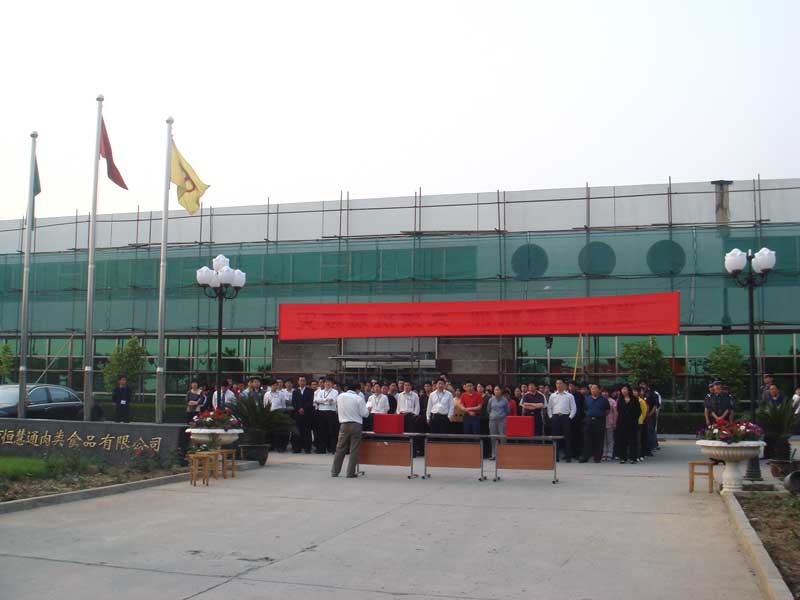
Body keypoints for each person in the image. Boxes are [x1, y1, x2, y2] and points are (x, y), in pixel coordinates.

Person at [331, 383, 369, 478]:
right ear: (357, 389)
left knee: (340, 448)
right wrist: (368, 409)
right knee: (354, 449)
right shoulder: (358, 398)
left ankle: (335, 472)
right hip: (356, 425)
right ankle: (350, 473)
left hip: (343, 424)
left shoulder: (340, 396)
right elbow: (364, 414)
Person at [547, 379, 576, 462]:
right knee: (555, 437)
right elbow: (549, 407)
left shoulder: (569, 396)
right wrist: (551, 416)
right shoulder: (552, 395)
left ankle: (568, 457)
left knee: (567, 438)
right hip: (555, 417)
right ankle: (556, 457)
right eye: (557, 383)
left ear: (564, 385)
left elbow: (573, 408)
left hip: (565, 417)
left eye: (560, 383)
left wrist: (570, 417)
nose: (558, 385)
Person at [580, 384, 609, 463]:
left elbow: (607, 410)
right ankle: (585, 456)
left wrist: (599, 415)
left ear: (599, 390)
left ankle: (597, 457)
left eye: (595, 389)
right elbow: (585, 409)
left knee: (599, 439)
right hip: (589, 420)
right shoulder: (587, 399)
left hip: (599, 420)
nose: (593, 390)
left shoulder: (604, 399)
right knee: (587, 439)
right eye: (592, 389)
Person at [616, 384, 641, 464]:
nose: (624, 390)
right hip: (622, 423)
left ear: (629, 390)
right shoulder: (620, 400)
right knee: (622, 441)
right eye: (622, 389)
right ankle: (623, 457)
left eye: (625, 389)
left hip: (632, 423)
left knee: (632, 441)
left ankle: (633, 458)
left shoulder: (634, 399)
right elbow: (618, 410)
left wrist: (633, 419)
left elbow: (638, 411)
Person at [314, 378, 339, 454]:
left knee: (332, 431)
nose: (327, 384)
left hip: (331, 412)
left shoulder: (335, 391)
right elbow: (316, 400)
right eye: (326, 382)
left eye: (329, 382)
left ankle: (332, 448)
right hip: (321, 412)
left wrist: (322, 401)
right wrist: (326, 400)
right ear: (323, 384)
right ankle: (322, 449)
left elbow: (334, 401)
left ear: (332, 384)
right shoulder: (320, 391)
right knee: (322, 431)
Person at [291, 376, 315, 454]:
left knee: (307, 431)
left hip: (307, 414)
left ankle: (307, 448)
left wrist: (303, 408)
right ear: (298, 382)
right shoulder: (295, 391)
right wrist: (299, 409)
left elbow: (310, 401)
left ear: (305, 382)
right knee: (297, 431)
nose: (302, 382)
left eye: (303, 381)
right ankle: (297, 448)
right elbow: (294, 402)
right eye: (301, 380)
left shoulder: (310, 391)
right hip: (298, 414)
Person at [488, 385, 510, 460]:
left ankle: (503, 454)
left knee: (503, 437)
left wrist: (501, 416)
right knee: (493, 437)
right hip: (493, 420)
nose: (496, 391)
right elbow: (488, 410)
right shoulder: (491, 400)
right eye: (495, 390)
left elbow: (507, 411)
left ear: (501, 391)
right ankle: (493, 454)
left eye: (498, 390)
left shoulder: (505, 400)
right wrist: (493, 416)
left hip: (502, 421)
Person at [568, 381, 585, 460]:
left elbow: (582, 407)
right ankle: (569, 453)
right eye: (569, 386)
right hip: (568, 419)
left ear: (576, 387)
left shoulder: (580, 395)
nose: (570, 388)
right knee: (569, 437)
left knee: (577, 437)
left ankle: (577, 453)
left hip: (578, 419)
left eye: (572, 386)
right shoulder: (567, 395)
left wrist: (580, 417)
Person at [603, 387, 617, 461]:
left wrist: (615, 423)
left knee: (610, 439)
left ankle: (610, 453)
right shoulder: (600, 400)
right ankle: (604, 453)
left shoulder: (612, 401)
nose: (605, 393)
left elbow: (615, 413)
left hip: (610, 422)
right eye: (603, 392)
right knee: (603, 439)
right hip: (602, 422)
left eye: (606, 392)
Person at [634, 388, 648, 461]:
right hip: (631, 422)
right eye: (633, 391)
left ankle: (638, 455)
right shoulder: (630, 400)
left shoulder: (641, 401)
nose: (634, 392)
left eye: (635, 391)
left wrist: (641, 419)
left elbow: (644, 411)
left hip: (639, 422)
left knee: (638, 439)